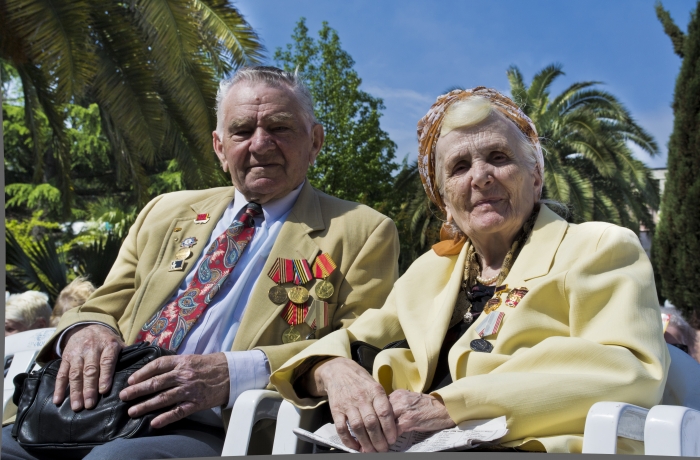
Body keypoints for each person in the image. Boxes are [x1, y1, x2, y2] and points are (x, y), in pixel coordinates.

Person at [2, 66, 399, 459]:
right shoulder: (164, 212)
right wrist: (87, 330)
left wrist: (234, 373)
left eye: (280, 128)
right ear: (219, 147)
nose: (261, 144)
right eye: (242, 131)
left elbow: (357, 345)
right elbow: (102, 305)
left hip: (221, 428)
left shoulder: (362, 230)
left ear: (315, 141)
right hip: (93, 411)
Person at [270, 87, 669, 454]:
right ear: (445, 201)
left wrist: (449, 407)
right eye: (460, 167)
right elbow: (355, 339)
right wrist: (331, 369)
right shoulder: (431, 271)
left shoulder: (598, 247)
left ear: (535, 176)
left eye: (498, 157)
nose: (480, 176)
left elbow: (632, 370)